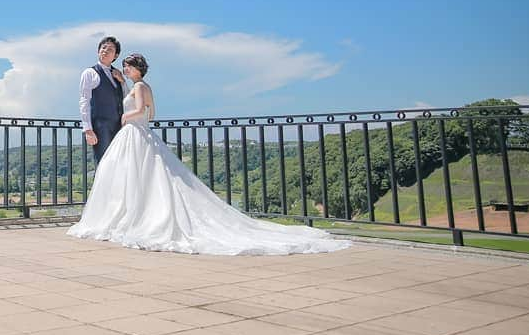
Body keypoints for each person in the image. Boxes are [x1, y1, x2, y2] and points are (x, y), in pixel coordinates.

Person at [68, 53, 350, 256]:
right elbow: (153, 113)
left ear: (136, 69)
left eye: (127, 67)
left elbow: (142, 111)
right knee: (146, 178)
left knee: (140, 178)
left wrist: (123, 116)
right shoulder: (140, 86)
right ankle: (131, 214)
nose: (124, 70)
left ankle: (132, 217)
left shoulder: (139, 86)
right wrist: (126, 92)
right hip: (138, 134)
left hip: (134, 132)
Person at [79, 36, 126, 164]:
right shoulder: (90, 73)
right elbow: (84, 101)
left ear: (116, 56)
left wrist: (123, 81)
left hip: (119, 127)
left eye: (110, 49)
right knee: (103, 165)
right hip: (101, 127)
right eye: (103, 48)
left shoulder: (117, 74)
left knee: (118, 164)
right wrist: (88, 129)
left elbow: (126, 98)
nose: (105, 50)